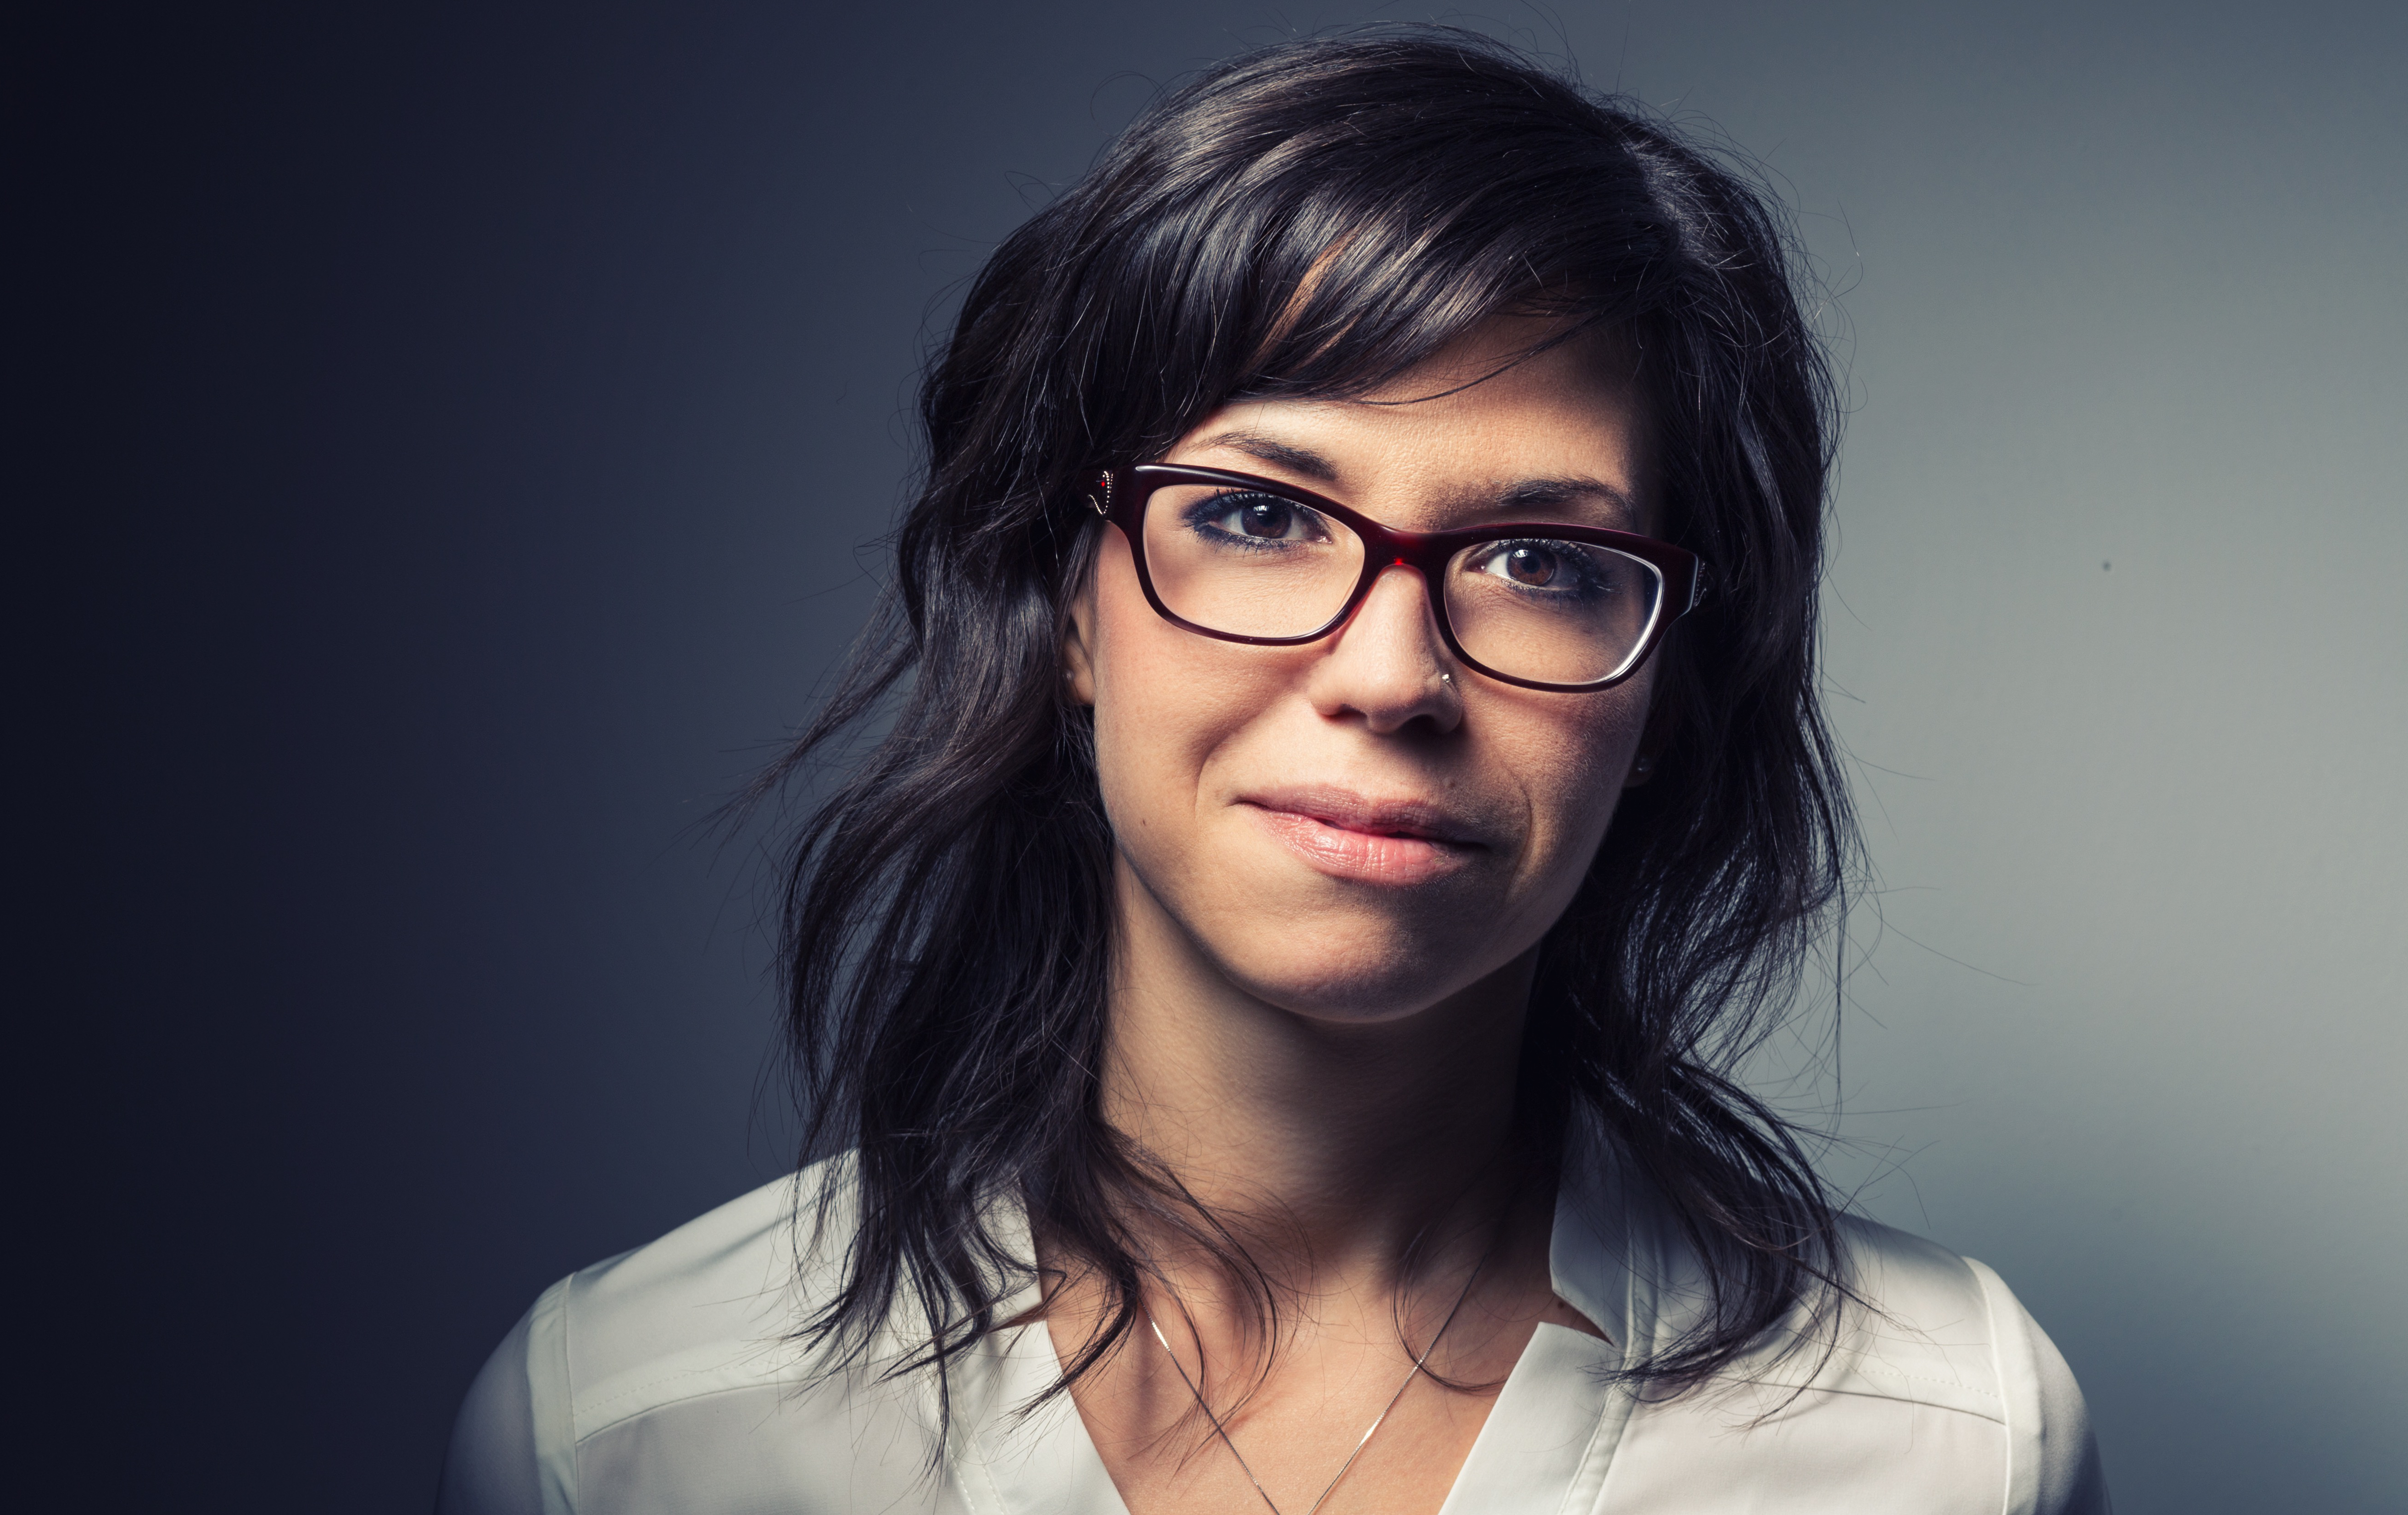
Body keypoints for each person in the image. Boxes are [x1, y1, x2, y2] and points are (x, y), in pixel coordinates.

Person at [437, 28, 2109, 1515]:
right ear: (1068, 610)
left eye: (1543, 559)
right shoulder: (631, 1435)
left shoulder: (1951, 1444)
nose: (1393, 676)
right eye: (1259, 517)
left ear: (1667, 682)